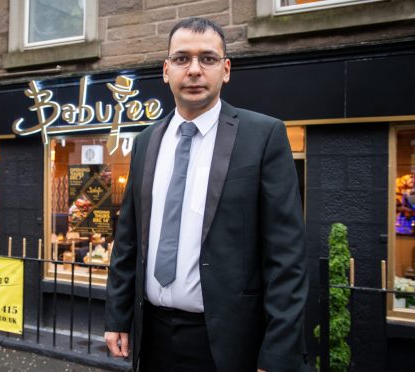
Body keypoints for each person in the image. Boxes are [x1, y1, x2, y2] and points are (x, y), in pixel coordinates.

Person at [104, 17, 308, 372]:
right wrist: (117, 316)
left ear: (226, 70)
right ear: (166, 70)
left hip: (229, 343)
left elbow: (287, 257)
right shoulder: (145, 142)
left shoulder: (263, 136)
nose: (194, 70)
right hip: (152, 336)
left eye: (208, 59)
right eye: (182, 59)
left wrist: (277, 355)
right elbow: (128, 241)